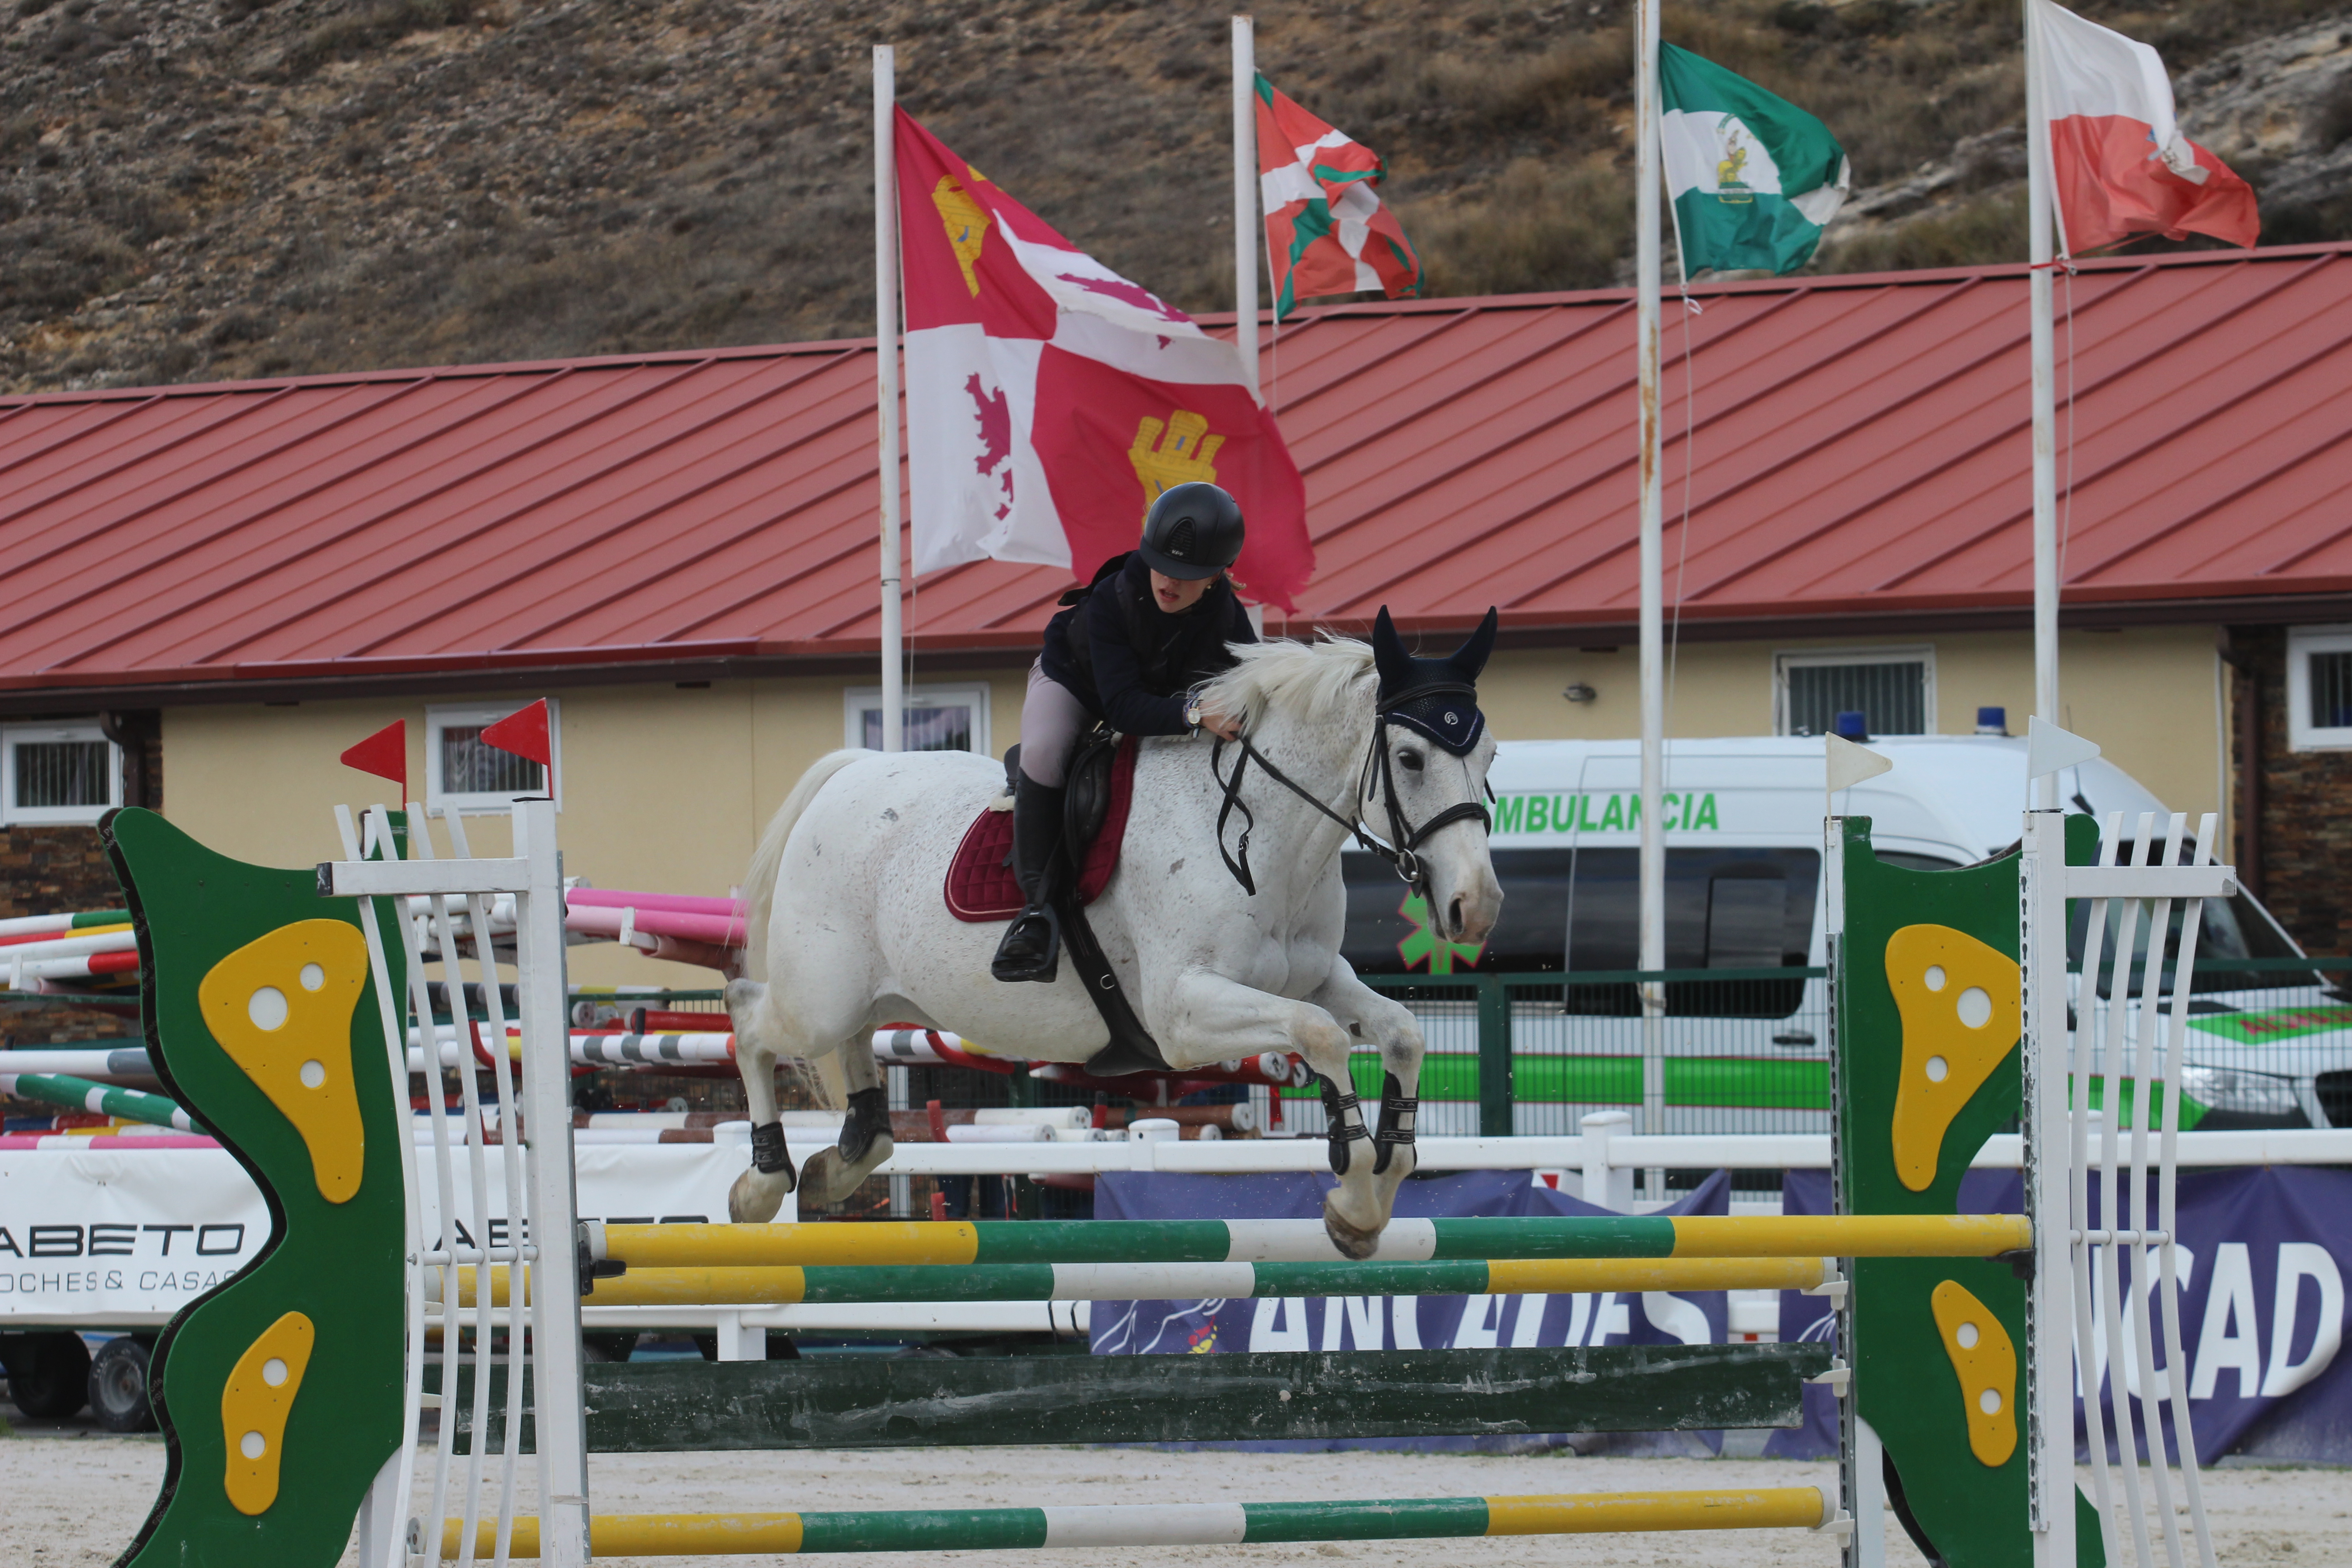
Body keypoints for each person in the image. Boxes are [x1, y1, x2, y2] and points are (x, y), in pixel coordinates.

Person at [991, 481, 1254, 983]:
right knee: (1046, 753)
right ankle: (1036, 912)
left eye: (1186, 574)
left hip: (1156, 699)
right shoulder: (1115, 598)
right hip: (1075, 683)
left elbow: (1250, 693)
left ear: (1218, 576)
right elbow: (1123, 707)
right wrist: (1196, 714)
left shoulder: (1227, 617)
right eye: (1161, 564)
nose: (1168, 582)